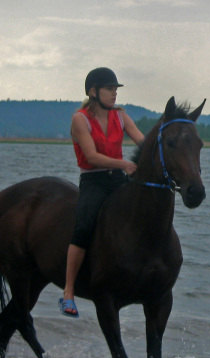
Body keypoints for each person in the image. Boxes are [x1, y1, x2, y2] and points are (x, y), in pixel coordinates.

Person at [59, 67, 145, 317]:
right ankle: (68, 291)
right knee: (84, 226)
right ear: (93, 92)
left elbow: (142, 140)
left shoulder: (121, 115)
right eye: (110, 89)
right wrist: (125, 164)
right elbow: (92, 157)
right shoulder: (80, 119)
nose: (114, 94)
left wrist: (162, 149)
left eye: (116, 89)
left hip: (118, 179)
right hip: (93, 180)